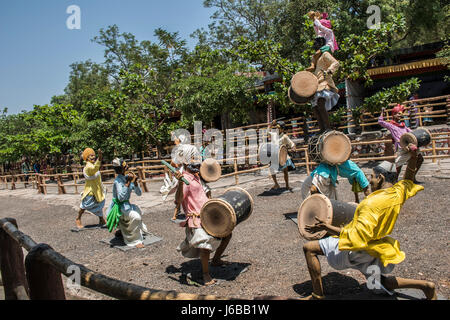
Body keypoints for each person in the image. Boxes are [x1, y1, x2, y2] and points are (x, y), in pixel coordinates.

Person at [301, 145, 437, 300]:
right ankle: (426, 286)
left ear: (380, 178)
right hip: (374, 249)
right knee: (380, 283)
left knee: (309, 249)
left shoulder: (371, 204)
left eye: (372, 176)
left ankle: (317, 296)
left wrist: (326, 227)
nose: (370, 180)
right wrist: (412, 158)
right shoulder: (397, 193)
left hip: (357, 250)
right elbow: (408, 179)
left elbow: (355, 236)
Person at [174, 144, 232, 286]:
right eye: (193, 158)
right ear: (187, 160)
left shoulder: (196, 177)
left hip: (208, 215)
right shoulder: (185, 180)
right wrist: (180, 183)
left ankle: (216, 259)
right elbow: (178, 200)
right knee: (205, 245)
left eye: (197, 158)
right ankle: (205, 275)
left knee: (227, 234)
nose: (197, 161)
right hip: (196, 219)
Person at [106, 158, 149, 248]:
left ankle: (123, 231)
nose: (128, 167)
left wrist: (136, 183)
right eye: (125, 166)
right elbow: (121, 198)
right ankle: (136, 240)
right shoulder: (118, 181)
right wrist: (128, 182)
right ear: (121, 169)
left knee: (139, 211)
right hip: (120, 207)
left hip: (127, 206)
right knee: (136, 217)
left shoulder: (126, 178)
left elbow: (139, 193)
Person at [378, 104, 424, 182]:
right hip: (401, 147)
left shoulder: (403, 126)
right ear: (394, 114)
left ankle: (412, 177)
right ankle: (394, 180)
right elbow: (380, 121)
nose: (400, 115)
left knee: (420, 159)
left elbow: (411, 132)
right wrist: (382, 112)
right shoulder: (391, 125)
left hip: (409, 146)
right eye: (398, 113)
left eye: (401, 113)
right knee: (398, 165)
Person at [305, 36, 340, 133]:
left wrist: (329, 71)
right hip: (316, 85)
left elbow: (336, 63)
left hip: (324, 82)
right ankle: (322, 129)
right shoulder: (314, 58)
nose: (314, 45)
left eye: (316, 43)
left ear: (321, 44)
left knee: (320, 103)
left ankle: (328, 127)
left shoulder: (325, 54)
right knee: (315, 108)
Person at [301, 160, 370, 203]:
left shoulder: (352, 170)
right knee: (329, 200)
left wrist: (357, 200)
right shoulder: (359, 174)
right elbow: (366, 188)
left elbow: (355, 189)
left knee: (333, 200)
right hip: (323, 174)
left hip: (323, 174)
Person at [76, 148, 106, 229]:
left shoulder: (92, 165)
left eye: (93, 155)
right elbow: (94, 169)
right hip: (90, 190)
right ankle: (78, 218)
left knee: (99, 205)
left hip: (97, 189)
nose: (93, 157)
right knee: (85, 206)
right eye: (90, 156)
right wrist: (100, 158)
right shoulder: (89, 166)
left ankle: (101, 219)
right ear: (86, 158)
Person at [268, 121, 297, 191]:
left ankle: (287, 185)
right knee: (272, 170)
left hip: (283, 156)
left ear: (282, 129)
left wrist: (293, 147)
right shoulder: (274, 135)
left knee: (285, 171)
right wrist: (271, 124)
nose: (277, 129)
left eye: (279, 128)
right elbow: (267, 131)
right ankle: (276, 184)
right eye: (277, 127)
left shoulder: (284, 137)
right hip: (274, 155)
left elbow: (292, 143)